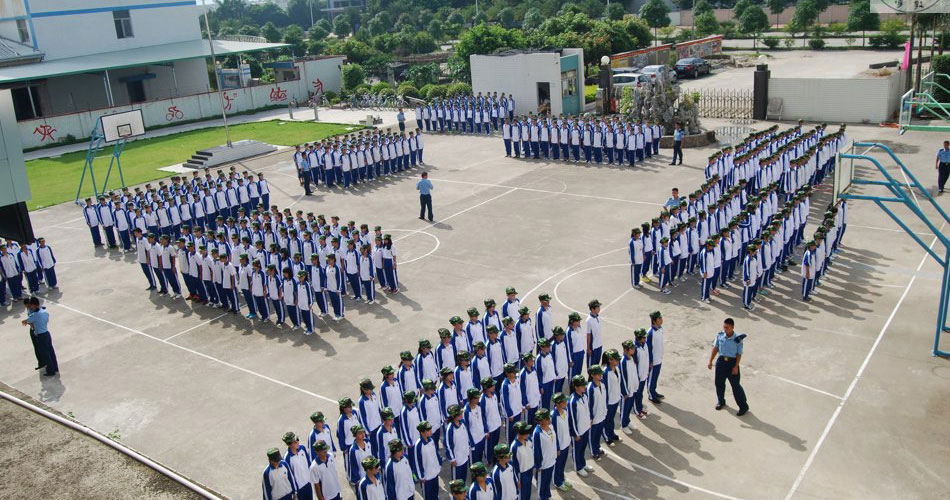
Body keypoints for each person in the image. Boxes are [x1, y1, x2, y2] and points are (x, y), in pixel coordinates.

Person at [707, 318, 749, 415]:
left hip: (732, 363)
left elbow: (739, 354)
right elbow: (716, 348)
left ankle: (743, 406)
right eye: (724, 327)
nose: (725, 329)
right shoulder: (720, 335)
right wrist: (710, 361)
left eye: (727, 327)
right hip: (721, 361)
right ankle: (721, 401)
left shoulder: (737, 338)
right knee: (719, 383)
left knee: (736, 386)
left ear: (732, 327)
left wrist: (736, 366)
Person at [23, 296, 58, 376]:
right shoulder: (44, 311)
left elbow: (26, 321)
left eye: (31, 305)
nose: (30, 307)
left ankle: (50, 371)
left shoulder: (35, 315)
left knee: (45, 354)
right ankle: (55, 367)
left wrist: (27, 322)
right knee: (51, 352)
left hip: (41, 335)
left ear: (34, 305)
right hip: (46, 333)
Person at [282, 432, 314, 500]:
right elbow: (290, 476)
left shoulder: (302, 448)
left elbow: (308, 462)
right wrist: (294, 491)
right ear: (289, 444)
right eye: (295, 441)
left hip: (308, 483)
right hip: (299, 489)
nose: (298, 442)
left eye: (297, 439)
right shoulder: (287, 458)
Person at [646, 311, 665, 403]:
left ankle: (654, 391)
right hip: (653, 360)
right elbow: (648, 349)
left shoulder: (661, 329)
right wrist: (650, 361)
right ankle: (651, 395)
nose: (661, 320)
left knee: (655, 377)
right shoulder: (650, 333)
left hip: (659, 358)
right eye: (659, 319)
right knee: (651, 378)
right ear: (654, 321)